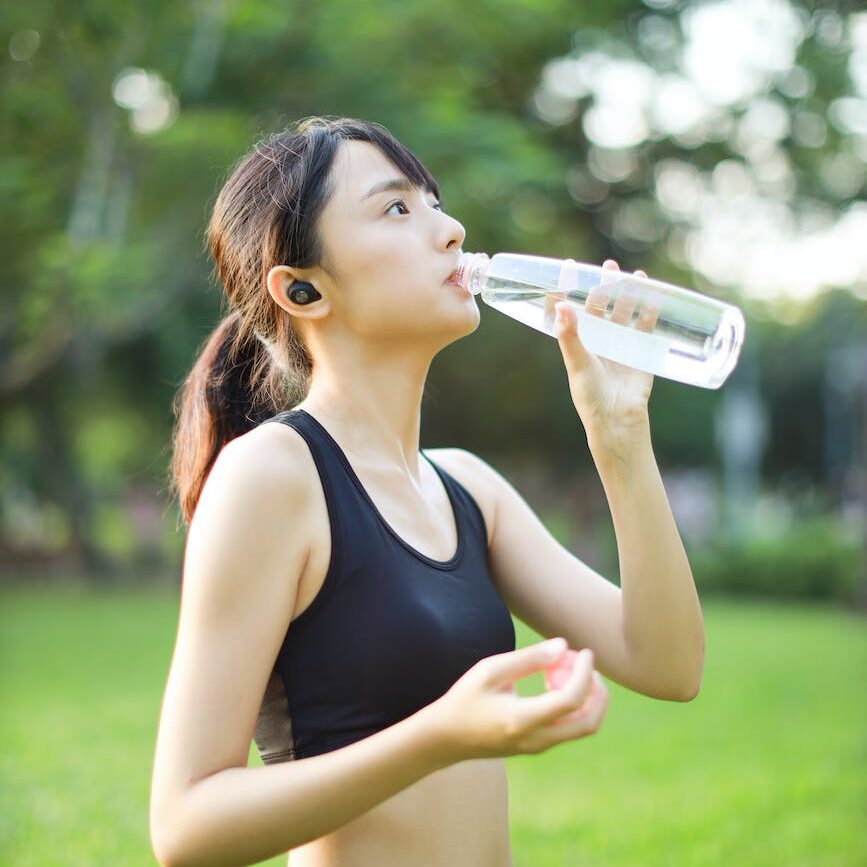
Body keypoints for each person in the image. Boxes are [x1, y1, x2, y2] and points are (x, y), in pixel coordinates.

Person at [149, 116, 705, 867]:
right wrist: (441, 733)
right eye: (396, 208)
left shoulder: (470, 488)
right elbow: (186, 827)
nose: (451, 230)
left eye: (433, 202)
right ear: (304, 289)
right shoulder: (274, 475)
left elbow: (667, 662)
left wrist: (619, 434)